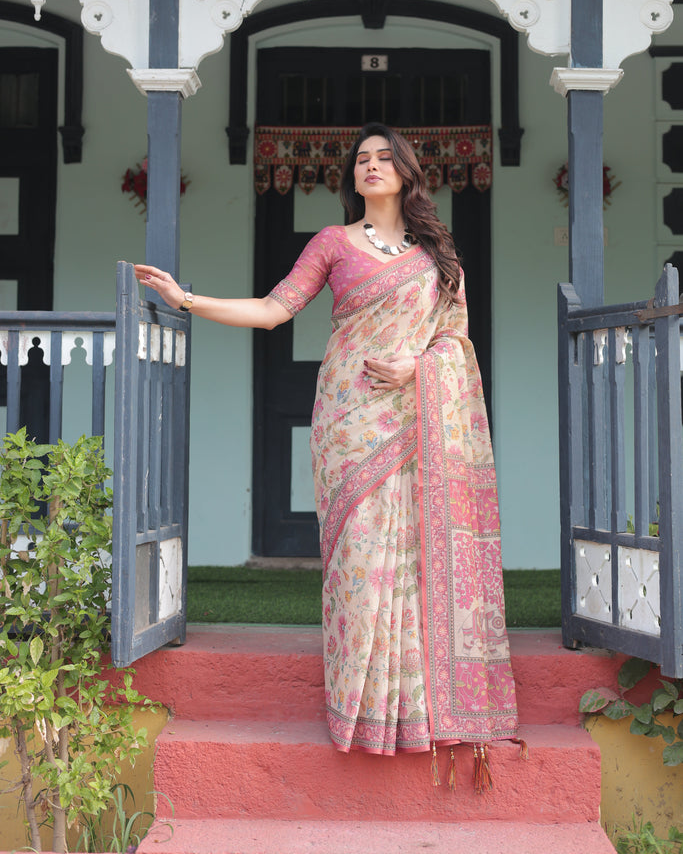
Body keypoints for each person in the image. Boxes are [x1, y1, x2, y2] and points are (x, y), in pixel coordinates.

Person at [134, 122, 521, 788]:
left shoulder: (437, 253)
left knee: (414, 561)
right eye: (361, 160)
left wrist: (420, 367)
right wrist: (186, 299)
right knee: (361, 565)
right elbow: (272, 310)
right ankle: (361, 710)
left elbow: (454, 343)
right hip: (348, 422)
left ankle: (419, 707)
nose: (371, 167)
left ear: (405, 171)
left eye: (382, 158)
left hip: (413, 417)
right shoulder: (332, 243)